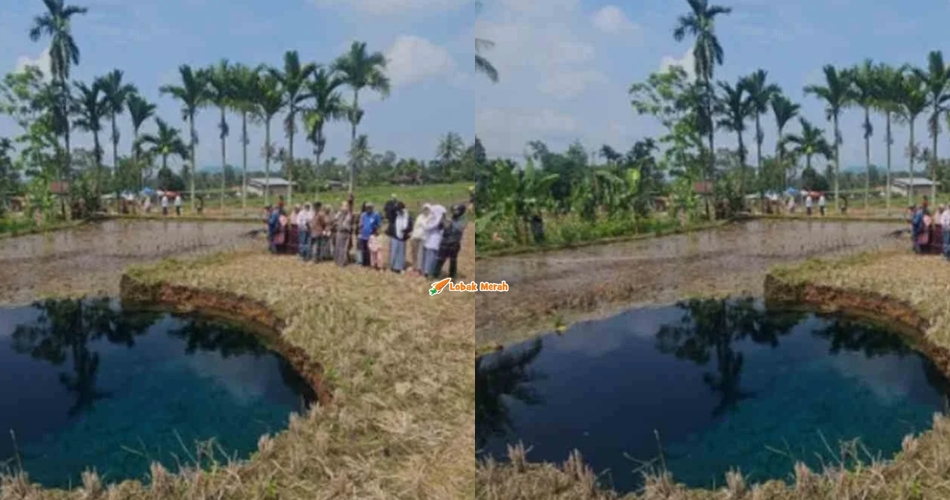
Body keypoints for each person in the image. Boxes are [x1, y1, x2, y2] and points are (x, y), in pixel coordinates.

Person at [435, 204, 467, 280]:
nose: (455, 212)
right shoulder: (448, 218)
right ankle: (435, 274)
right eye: (454, 210)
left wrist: (451, 222)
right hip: (445, 242)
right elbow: (440, 228)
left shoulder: (462, 220)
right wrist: (442, 221)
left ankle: (452, 275)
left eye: (457, 210)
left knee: (453, 260)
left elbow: (460, 229)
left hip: (454, 243)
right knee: (440, 259)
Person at [423, 205, 446, 278]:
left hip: (437, 243)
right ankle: (427, 273)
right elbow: (428, 227)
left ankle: (431, 272)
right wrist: (437, 220)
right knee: (430, 258)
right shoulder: (432, 221)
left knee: (434, 258)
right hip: (431, 242)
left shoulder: (440, 222)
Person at [389, 201, 412, 272]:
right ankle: (393, 266)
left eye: (400, 209)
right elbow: (389, 211)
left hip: (403, 237)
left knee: (401, 253)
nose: (399, 210)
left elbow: (410, 226)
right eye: (398, 209)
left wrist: (406, 230)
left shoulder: (407, 216)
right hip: (395, 235)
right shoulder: (394, 215)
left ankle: (399, 267)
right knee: (394, 251)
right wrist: (396, 207)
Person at [359, 202, 382, 268]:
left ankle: (372, 263)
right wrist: (360, 231)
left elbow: (379, 224)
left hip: (372, 235)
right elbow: (361, 224)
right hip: (364, 235)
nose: (368, 209)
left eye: (369, 208)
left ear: (372, 208)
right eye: (367, 208)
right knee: (364, 249)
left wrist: (377, 231)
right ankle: (365, 263)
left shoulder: (376, 215)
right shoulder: (363, 215)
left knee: (372, 250)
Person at [410, 204, 430, 274]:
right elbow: (415, 226)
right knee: (414, 252)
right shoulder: (419, 217)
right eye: (424, 209)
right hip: (415, 236)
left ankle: (419, 268)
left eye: (427, 209)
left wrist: (423, 223)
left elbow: (427, 227)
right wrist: (412, 235)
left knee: (420, 254)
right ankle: (414, 267)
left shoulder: (430, 218)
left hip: (423, 238)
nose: (425, 211)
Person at [333, 202, 353, 266]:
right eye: (343, 206)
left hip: (345, 232)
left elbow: (346, 223)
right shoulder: (339, 214)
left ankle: (342, 262)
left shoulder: (349, 214)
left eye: (345, 206)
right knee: (338, 247)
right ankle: (337, 261)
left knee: (343, 248)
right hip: (339, 232)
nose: (344, 208)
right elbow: (335, 219)